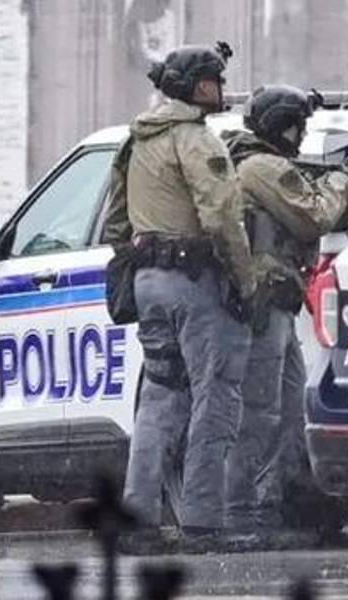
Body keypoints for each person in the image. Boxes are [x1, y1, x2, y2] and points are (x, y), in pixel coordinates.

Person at [103, 42, 254, 553]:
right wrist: (245, 279)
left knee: (159, 396)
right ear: (194, 86)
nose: (221, 88)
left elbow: (115, 221)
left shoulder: (137, 140)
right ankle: (203, 520)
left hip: (149, 283)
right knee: (217, 395)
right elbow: (221, 217)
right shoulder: (195, 140)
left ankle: (137, 515)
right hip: (196, 283)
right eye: (214, 79)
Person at [222, 85, 348, 548]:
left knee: (290, 411)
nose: (302, 133)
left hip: (278, 303)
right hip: (264, 302)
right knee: (259, 412)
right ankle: (240, 511)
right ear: (283, 125)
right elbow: (313, 215)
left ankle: (271, 504)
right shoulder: (263, 167)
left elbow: (322, 215)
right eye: (299, 125)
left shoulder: (265, 166)